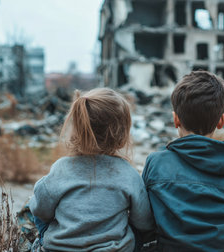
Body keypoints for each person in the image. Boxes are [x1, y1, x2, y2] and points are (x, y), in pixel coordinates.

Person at [142, 71, 224, 252]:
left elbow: (145, 211)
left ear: (175, 120)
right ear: (221, 121)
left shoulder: (155, 162)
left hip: (171, 248)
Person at [29, 88, 154, 252]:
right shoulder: (128, 174)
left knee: (33, 210)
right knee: (137, 232)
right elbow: (144, 222)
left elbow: (40, 210)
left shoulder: (61, 169)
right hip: (113, 249)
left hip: (60, 248)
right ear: (121, 134)